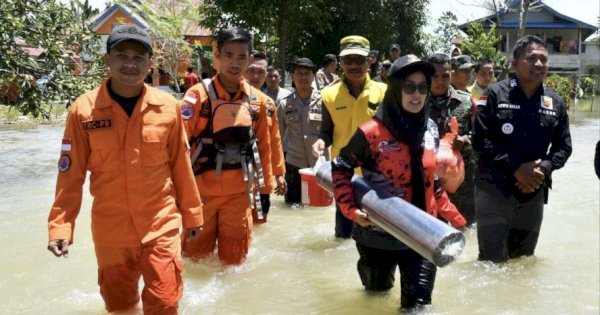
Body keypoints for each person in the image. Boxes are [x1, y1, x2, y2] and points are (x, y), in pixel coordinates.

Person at [46, 24, 203, 314]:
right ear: (108, 61)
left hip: (161, 224)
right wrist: (60, 226)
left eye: (138, 57)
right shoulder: (83, 110)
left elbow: (181, 165)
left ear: (150, 63)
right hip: (111, 230)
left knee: (165, 302)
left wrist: (192, 215)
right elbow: (71, 174)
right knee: (120, 306)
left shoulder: (168, 108)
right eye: (122, 55)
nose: (130, 63)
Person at [331, 55, 466, 311]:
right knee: (374, 298)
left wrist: (458, 221)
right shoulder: (371, 132)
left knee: (418, 308)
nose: (417, 94)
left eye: (422, 87)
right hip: (377, 234)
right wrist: (349, 209)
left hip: (425, 235)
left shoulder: (431, 129)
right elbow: (341, 167)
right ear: (395, 89)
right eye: (409, 87)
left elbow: (431, 181)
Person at [473, 35, 572, 263]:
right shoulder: (494, 95)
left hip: (532, 192)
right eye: (532, 58)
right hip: (493, 190)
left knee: (524, 263)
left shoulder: (555, 102)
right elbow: (481, 140)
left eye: (543, 59)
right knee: (491, 263)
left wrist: (544, 169)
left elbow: (564, 146)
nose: (539, 64)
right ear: (515, 63)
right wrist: (516, 167)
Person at [180, 27, 273, 265]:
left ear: (250, 59)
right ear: (217, 56)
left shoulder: (257, 101)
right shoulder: (196, 96)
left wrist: (265, 190)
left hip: (239, 196)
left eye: (242, 56)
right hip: (200, 194)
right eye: (228, 55)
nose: (235, 62)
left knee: (235, 263)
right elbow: (178, 147)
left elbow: (265, 145)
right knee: (194, 260)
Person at [311, 35, 387, 238]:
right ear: (340, 62)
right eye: (348, 60)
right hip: (344, 177)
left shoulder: (385, 93)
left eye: (359, 60)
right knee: (343, 237)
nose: (354, 65)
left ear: (369, 60)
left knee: (376, 237)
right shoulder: (328, 95)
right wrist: (320, 141)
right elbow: (326, 132)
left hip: (378, 179)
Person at [427, 53, 478, 225]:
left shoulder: (467, 102)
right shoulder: (417, 102)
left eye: (445, 76)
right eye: (434, 76)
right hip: (428, 180)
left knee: (466, 226)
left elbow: (482, 136)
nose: (440, 81)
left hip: (461, 179)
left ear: (452, 74)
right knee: (433, 229)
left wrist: (466, 140)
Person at [245, 50, 287, 224]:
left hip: (262, 179)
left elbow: (275, 141)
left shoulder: (269, 104)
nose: (256, 76)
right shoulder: (227, 101)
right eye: (251, 70)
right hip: (234, 178)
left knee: (261, 225)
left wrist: (279, 174)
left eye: (261, 71)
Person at [278, 58, 327, 204]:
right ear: (292, 76)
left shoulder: (325, 101)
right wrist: (279, 171)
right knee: (292, 206)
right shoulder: (284, 104)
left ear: (313, 76)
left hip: (319, 165)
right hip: (293, 164)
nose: (303, 77)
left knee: (319, 206)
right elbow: (278, 138)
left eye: (307, 73)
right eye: (299, 73)